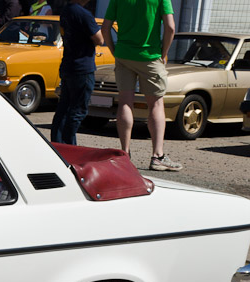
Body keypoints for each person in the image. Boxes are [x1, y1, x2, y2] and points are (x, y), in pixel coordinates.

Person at [103, 0, 182, 171]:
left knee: (125, 102)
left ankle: (125, 154)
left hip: (124, 54)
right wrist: (164, 53)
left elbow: (105, 27)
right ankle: (157, 156)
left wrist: (114, 51)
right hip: (150, 56)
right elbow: (170, 27)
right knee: (156, 104)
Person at [50, 0, 102, 144]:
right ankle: (68, 145)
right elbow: (99, 39)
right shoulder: (84, 14)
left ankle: (58, 143)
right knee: (77, 110)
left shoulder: (67, 10)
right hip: (82, 67)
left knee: (64, 108)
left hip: (69, 65)